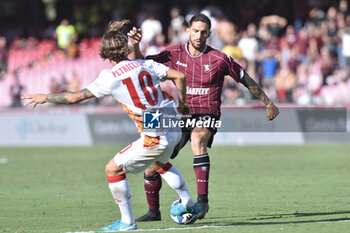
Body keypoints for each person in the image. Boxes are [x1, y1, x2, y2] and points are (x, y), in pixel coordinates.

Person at [22, 20, 200, 232]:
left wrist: (46, 97)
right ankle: (189, 204)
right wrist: (183, 105)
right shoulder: (145, 64)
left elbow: (74, 98)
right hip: (173, 126)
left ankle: (127, 222)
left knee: (112, 169)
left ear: (104, 55)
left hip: (156, 135)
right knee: (159, 164)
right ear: (125, 49)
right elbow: (179, 76)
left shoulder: (109, 77)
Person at [128, 13, 280, 221]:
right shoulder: (173, 53)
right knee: (153, 163)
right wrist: (136, 45)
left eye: (203, 32)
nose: (199, 36)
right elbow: (141, 65)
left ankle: (202, 201)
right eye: (196, 31)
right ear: (188, 31)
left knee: (198, 139)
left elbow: (245, 79)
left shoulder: (219, 59)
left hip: (207, 112)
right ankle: (154, 212)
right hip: (180, 114)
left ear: (209, 34)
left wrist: (268, 103)